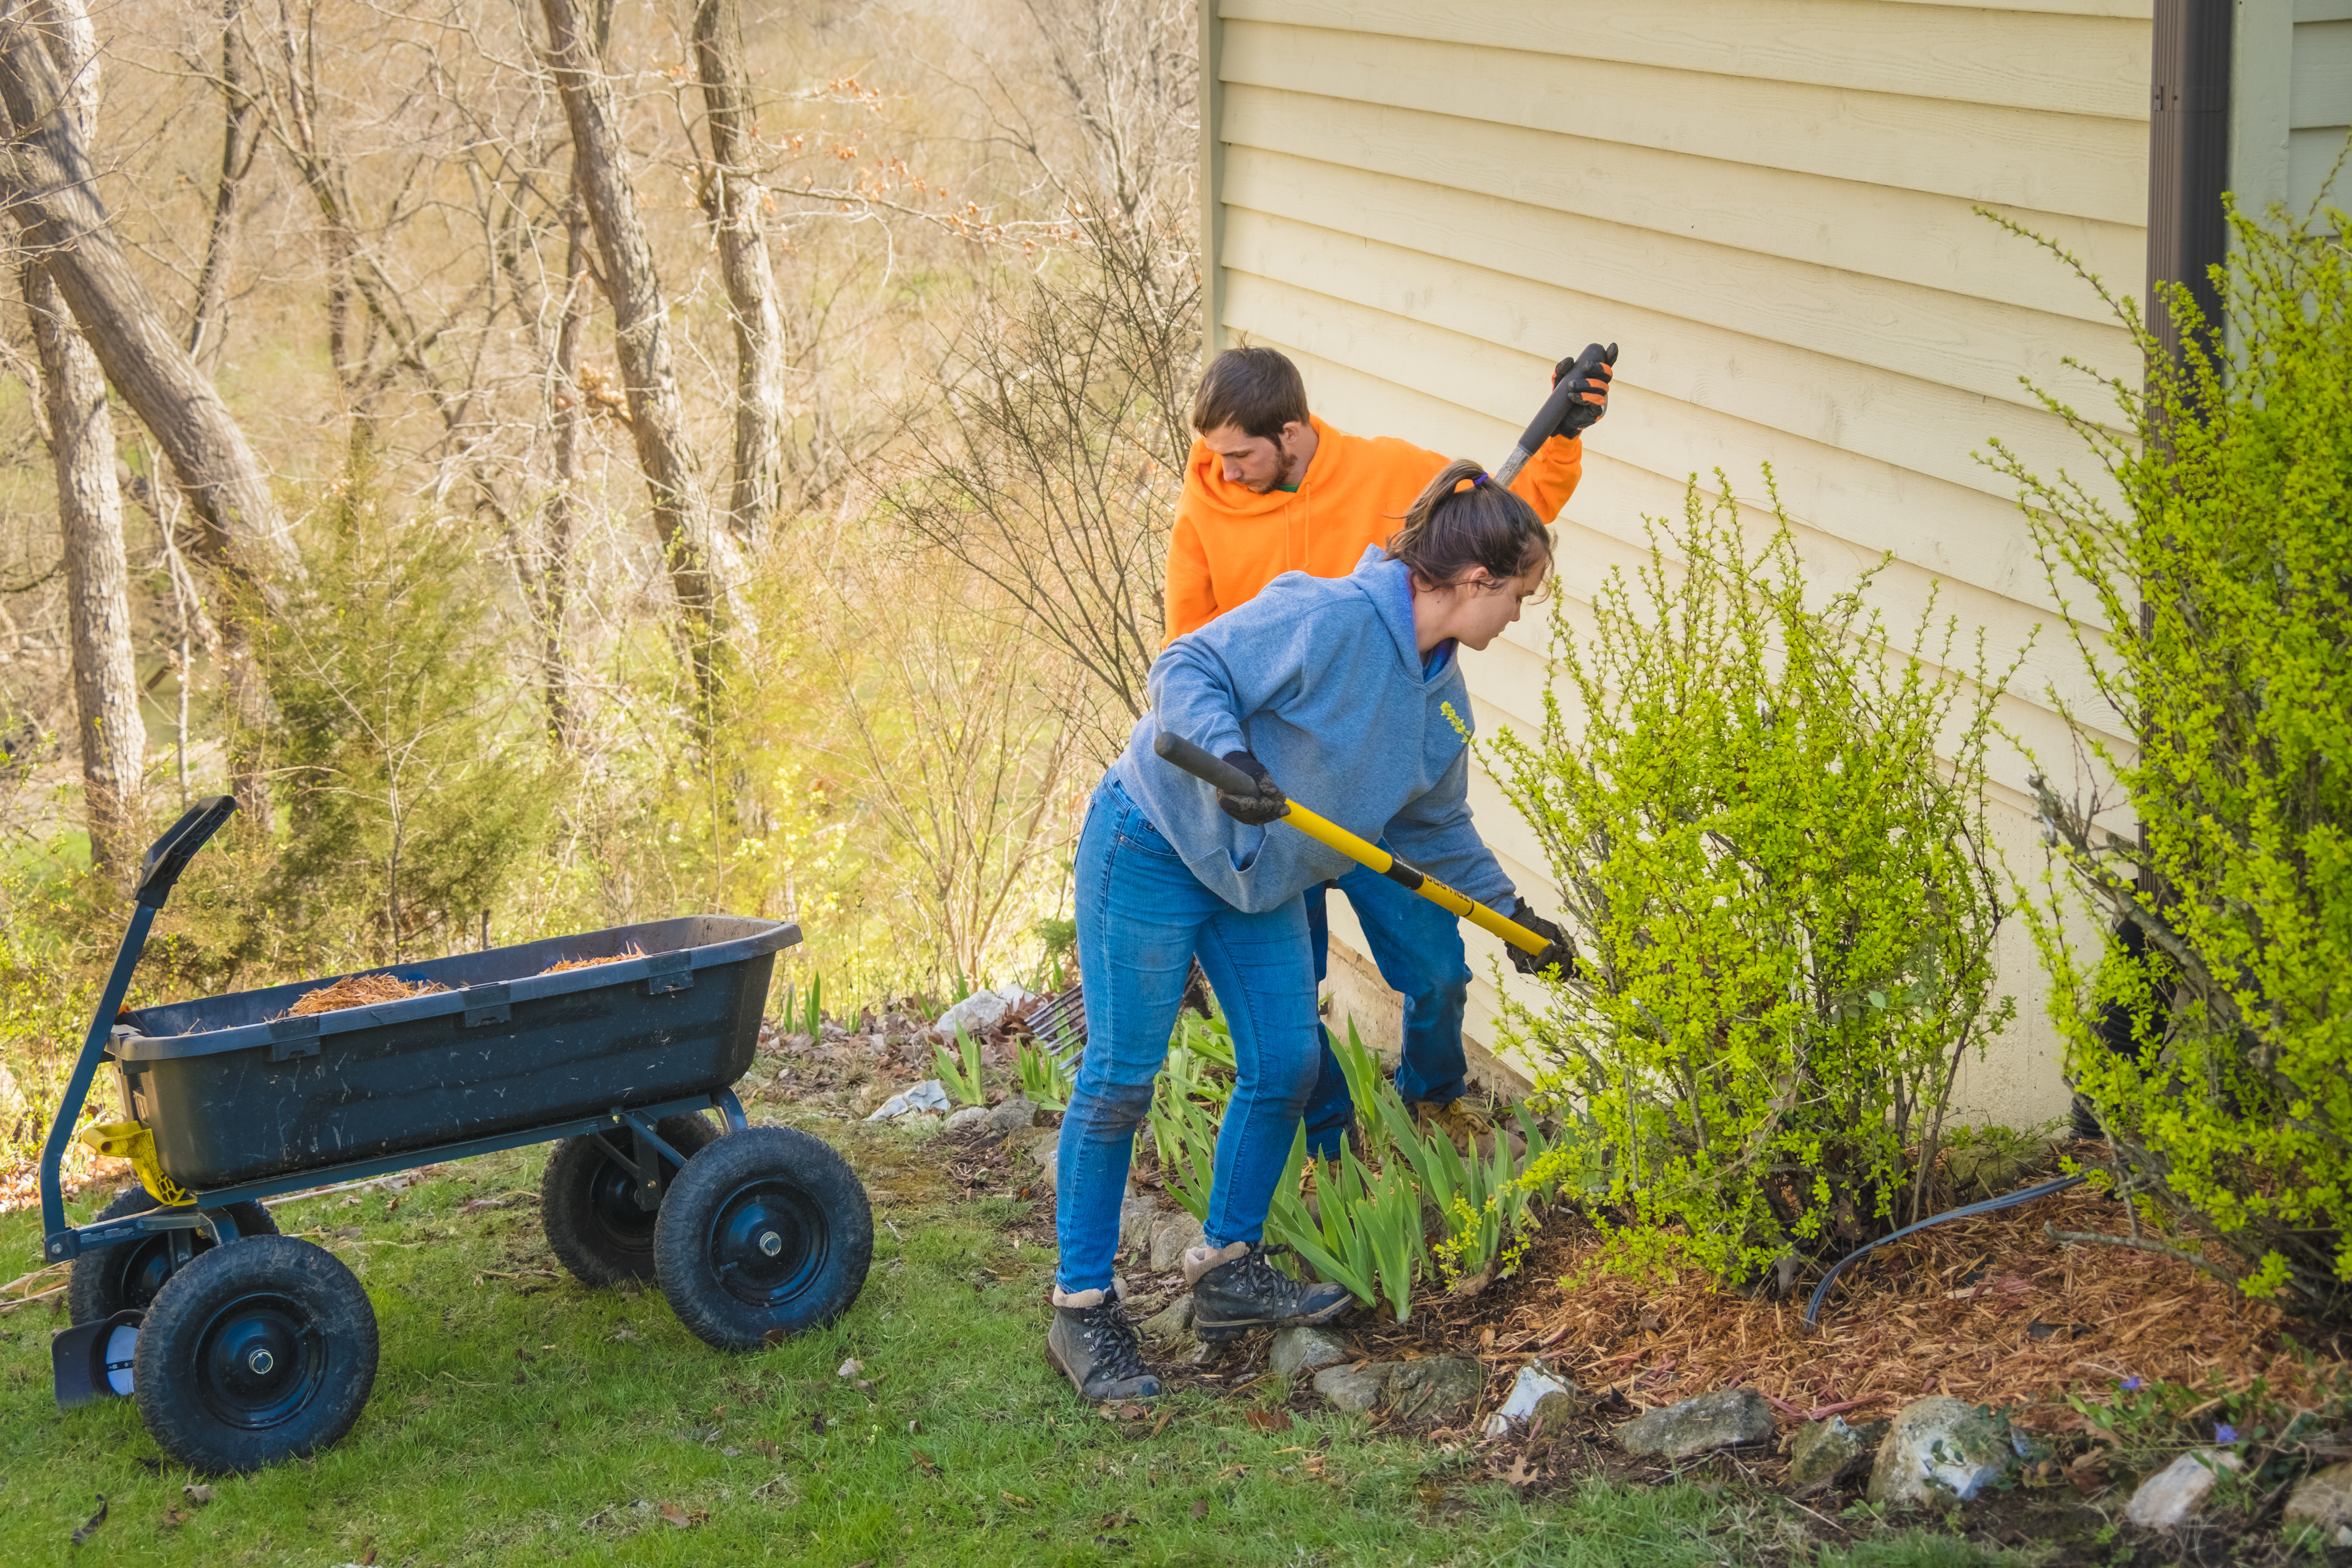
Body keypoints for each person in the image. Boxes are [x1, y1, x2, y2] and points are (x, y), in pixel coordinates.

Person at [1048, 459, 1579, 1404]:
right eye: (1518, 595)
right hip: (1157, 840)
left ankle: (1226, 1271)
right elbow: (1186, 667)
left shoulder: (1441, 700)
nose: (1517, 615)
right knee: (1123, 1076)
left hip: (1255, 882)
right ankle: (1081, 1306)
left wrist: (1513, 916)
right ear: (1473, 581)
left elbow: (1434, 825)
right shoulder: (1329, 616)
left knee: (1287, 1064)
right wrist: (1231, 757)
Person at [1165, 345, 1609, 1155]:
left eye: (1240, 455)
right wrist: (1228, 768)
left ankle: (1433, 1098)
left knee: (1437, 969)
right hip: (1272, 801)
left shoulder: (1389, 476)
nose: (1224, 472)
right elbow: (1189, 652)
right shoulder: (1206, 513)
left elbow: (1503, 532)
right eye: (1216, 456)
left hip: (1378, 793)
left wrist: (1563, 437)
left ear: (1290, 433)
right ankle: (1327, 1139)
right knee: (1288, 997)